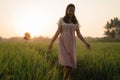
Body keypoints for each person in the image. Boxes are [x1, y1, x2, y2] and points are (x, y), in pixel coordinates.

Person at [48, 3, 91, 80]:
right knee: (67, 63)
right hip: (63, 43)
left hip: (71, 44)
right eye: (70, 10)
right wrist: (51, 42)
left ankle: (67, 77)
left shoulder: (75, 21)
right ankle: (65, 78)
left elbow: (79, 34)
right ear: (67, 10)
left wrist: (85, 42)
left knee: (70, 64)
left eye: (73, 11)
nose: (71, 12)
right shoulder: (62, 20)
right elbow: (58, 32)